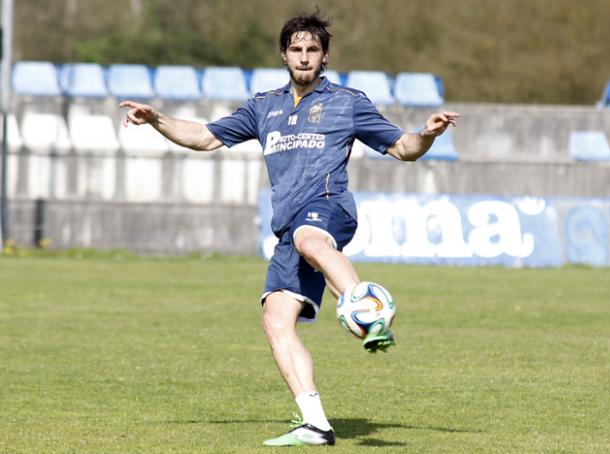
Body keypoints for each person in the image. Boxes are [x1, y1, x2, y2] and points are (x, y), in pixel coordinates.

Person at [120, 10, 459, 448]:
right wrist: (156, 119)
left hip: (328, 207)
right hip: (288, 229)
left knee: (309, 237)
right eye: (296, 49)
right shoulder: (265, 107)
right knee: (276, 320)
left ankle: (367, 308)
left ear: (324, 57)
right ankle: (316, 424)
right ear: (284, 55)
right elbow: (203, 137)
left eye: (312, 50)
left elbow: (402, 147)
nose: (303, 57)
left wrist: (427, 135)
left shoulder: (347, 102)